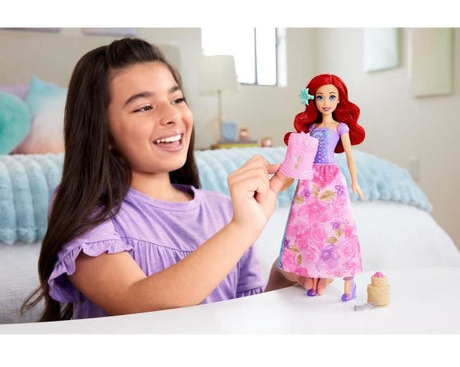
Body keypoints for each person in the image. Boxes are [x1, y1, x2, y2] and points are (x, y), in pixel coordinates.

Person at [22, 38, 328, 322]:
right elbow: (134, 303)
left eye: (177, 99)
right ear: (104, 132)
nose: (173, 116)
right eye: (144, 107)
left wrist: (285, 275)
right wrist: (243, 228)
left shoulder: (223, 210)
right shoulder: (86, 208)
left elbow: (244, 313)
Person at [277, 74, 365, 301]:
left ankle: (349, 282)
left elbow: (349, 155)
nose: (326, 102)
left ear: (339, 100)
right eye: (320, 97)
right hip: (310, 178)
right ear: (313, 100)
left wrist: (355, 181)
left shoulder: (341, 127)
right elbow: (300, 156)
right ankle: (314, 279)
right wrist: (289, 179)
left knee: (338, 226)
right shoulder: (312, 127)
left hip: (331, 178)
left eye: (331, 97)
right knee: (310, 227)